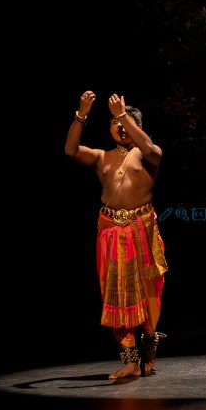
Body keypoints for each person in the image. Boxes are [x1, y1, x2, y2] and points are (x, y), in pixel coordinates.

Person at [64, 91, 168, 380]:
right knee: (116, 294)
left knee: (147, 293)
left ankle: (148, 351)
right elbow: (71, 150)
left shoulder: (149, 154)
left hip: (141, 229)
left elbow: (148, 147)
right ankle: (130, 361)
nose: (120, 128)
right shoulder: (102, 157)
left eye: (126, 123)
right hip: (110, 231)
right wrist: (81, 114)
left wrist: (122, 114)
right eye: (115, 124)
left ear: (138, 126)